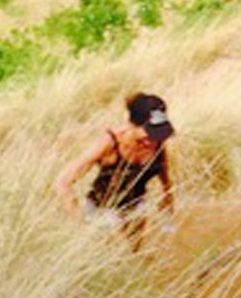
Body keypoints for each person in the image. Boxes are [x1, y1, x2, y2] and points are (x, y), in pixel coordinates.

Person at [55, 93, 176, 251]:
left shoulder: (157, 143)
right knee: (119, 251)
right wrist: (80, 223)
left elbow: (165, 180)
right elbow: (62, 181)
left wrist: (167, 214)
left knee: (134, 253)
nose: (152, 141)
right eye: (148, 134)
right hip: (102, 209)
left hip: (135, 208)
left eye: (158, 133)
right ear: (132, 125)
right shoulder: (111, 142)